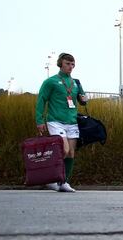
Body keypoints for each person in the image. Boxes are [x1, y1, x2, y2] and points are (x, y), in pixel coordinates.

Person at [35, 53, 86, 192]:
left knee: (70, 153)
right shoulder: (51, 81)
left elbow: (82, 99)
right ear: (60, 64)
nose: (70, 67)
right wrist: (39, 120)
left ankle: (63, 182)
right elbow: (41, 100)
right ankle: (52, 179)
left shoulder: (76, 82)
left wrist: (84, 99)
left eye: (72, 64)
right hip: (55, 121)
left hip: (72, 121)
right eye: (67, 64)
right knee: (64, 149)